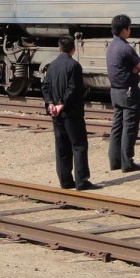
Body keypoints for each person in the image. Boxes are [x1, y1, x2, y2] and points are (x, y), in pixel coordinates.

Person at [42, 36, 99, 190]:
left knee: (62, 146)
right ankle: (82, 181)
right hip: (72, 112)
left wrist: (51, 104)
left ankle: (65, 181)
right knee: (79, 145)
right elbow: (73, 89)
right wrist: (61, 103)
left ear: (59, 49)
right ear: (73, 49)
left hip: (56, 114)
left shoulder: (51, 66)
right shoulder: (74, 66)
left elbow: (46, 87)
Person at [106, 13, 140, 173]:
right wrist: (135, 69)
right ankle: (127, 162)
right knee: (129, 127)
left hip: (115, 92)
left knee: (117, 126)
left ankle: (114, 161)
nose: (130, 31)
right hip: (128, 92)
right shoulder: (126, 48)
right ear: (124, 31)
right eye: (129, 28)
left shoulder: (111, 46)